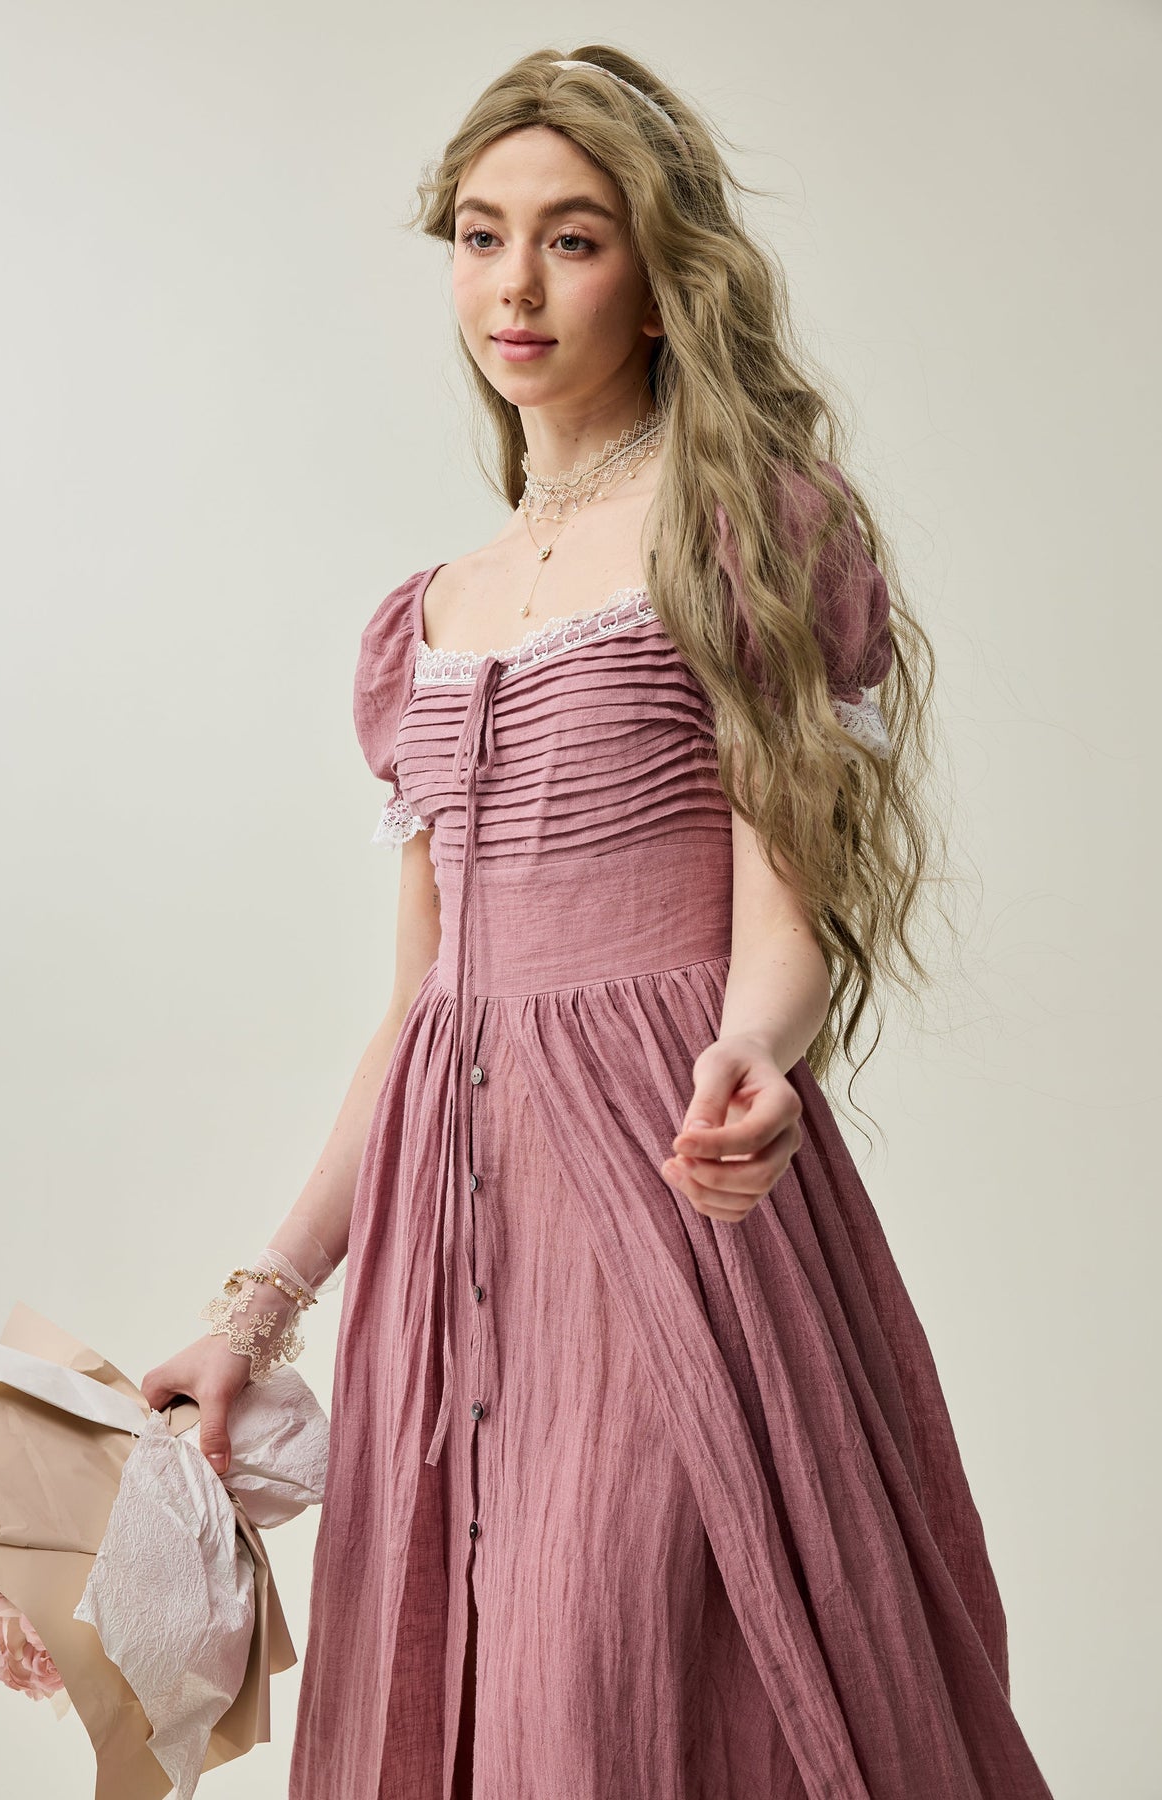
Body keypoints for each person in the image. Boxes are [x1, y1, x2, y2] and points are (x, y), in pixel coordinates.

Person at [141, 44, 1057, 1800]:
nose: (515, 283)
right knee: (466, 1674)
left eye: (570, 238)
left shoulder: (750, 534)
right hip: (442, 1241)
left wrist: (753, 1053)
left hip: (660, 1194)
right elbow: (418, 1017)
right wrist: (254, 1317)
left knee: (621, 1660)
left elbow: (780, 920)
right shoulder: (425, 616)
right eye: (481, 236)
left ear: (655, 276)